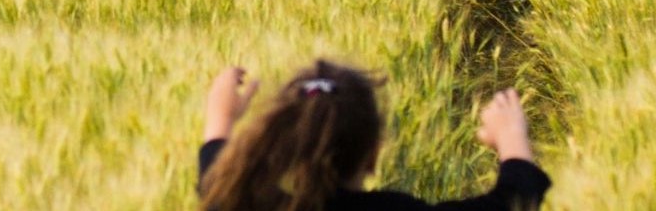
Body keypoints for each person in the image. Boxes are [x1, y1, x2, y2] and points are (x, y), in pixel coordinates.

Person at [197, 61, 550, 211]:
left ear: (277, 144)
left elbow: (216, 175)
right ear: (373, 155)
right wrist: (512, 143)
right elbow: (512, 203)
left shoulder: (238, 201)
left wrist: (220, 118)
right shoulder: (393, 210)